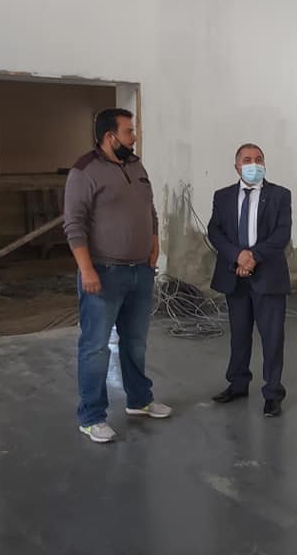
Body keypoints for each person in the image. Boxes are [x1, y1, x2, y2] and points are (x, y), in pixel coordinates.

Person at [63, 108, 172, 443]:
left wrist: (154, 243)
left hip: (141, 270)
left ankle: (139, 400)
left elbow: (149, 208)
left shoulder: (136, 165)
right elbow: (74, 224)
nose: (134, 137)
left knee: (136, 342)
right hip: (103, 273)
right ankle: (91, 416)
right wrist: (86, 269)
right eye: (128, 131)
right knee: (96, 347)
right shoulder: (84, 171)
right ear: (110, 137)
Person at [207, 143, 292, 417]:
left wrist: (253, 257)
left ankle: (273, 393)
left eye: (258, 159)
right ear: (237, 167)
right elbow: (215, 231)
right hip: (235, 276)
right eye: (247, 160)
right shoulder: (223, 196)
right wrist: (238, 256)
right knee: (239, 335)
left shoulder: (280, 195)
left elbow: (282, 234)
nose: (253, 164)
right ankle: (238, 383)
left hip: (268, 276)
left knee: (272, 337)